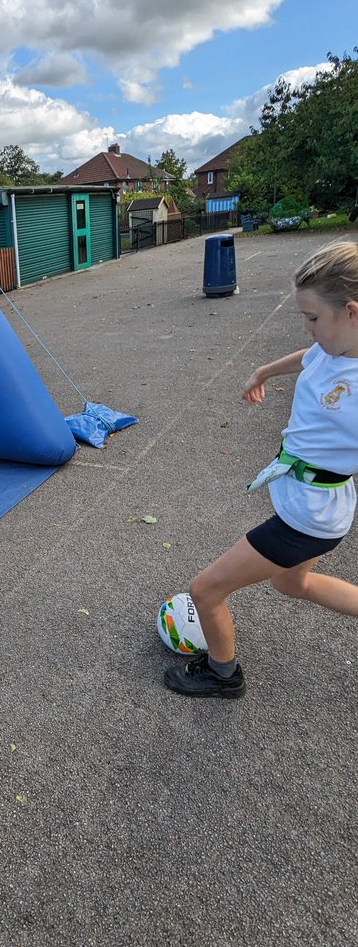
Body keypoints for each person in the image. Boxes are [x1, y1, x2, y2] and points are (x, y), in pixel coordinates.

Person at [164, 238, 358, 699]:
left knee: (205, 590)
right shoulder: (335, 349)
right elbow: (307, 357)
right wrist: (263, 372)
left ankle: (223, 675)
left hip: (308, 517)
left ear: (353, 312)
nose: (308, 330)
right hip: (314, 505)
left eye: (312, 318)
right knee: (293, 583)